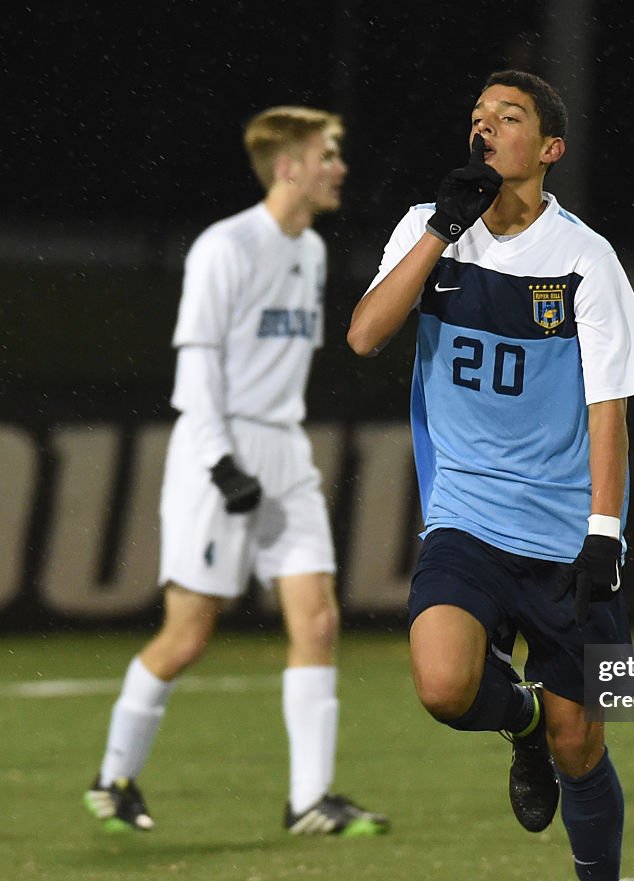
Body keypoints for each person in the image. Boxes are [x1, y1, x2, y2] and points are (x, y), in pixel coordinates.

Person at [347, 70, 634, 881]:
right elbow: (365, 335)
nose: (485, 130)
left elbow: (610, 409)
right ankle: (512, 717)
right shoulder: (428, 226)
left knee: (583, 747)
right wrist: (442, 228)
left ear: (549, 148)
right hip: (467, 517)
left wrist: (606, 532)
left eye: (507, 118)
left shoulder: (584, 258)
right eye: (476, 116)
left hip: (563, 534)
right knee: (444, 685)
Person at [84, 106, 388, 839]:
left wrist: (273, 458)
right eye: (328, 155)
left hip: (282, 449)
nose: (339, 168)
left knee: (317, 619)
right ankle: (112, 777)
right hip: (217, 454)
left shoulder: (311, 250)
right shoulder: (225, 247)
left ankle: (309, 800)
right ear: (289, 166)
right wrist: (222, 463)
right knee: (187, 636)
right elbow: (198, 365)